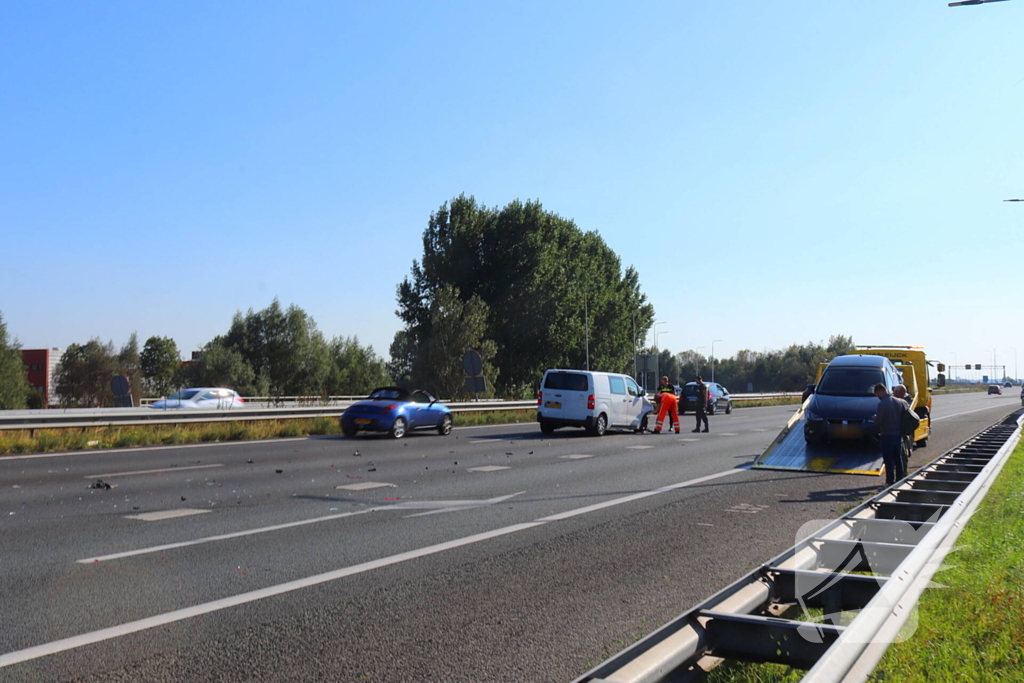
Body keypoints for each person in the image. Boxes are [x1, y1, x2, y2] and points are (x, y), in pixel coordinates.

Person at [873, 383, 910, 486]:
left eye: (877, 395)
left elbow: (879, 421)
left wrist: (874, 418)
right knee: (898, 458)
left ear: (879, 392)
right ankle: (900, 479)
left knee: (888, 459)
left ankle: (890, 481)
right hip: (898, 434)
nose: (878, 397)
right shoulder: (900, 402)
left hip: (886, 435)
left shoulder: (882, 404)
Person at [892, 384, 913, 475]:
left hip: (902, 433)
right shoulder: (892, 401)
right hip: (897, 432)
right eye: (902, 393)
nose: (903, 395)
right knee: (898, 455)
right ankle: (900, 473)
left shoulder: (903, 401)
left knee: (903, 454)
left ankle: (903, 473)